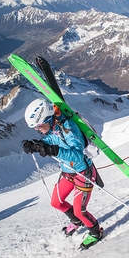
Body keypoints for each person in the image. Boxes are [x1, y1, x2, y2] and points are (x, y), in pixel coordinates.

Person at [21, 98, 103, 249]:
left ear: (47, 118)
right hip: (67, 172)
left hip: (82, 172)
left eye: (38, 126)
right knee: (56, 202)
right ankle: (77, 222)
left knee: (79, 211)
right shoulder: (54, 125)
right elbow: (54, 138)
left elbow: (78, 155)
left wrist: (53, 150)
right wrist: (38, 144)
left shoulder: (69, 127)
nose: (37, 129)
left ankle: (95, 232)